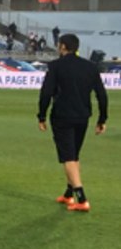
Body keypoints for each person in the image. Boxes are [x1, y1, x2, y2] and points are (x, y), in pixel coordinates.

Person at [37, 34, 108, 212]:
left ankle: (82, 198)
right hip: (83, 116)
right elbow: (102, 95)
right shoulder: (90, 67)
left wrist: (42, 116)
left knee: (68, 157)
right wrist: (102, 119)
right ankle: (69, 194)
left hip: (62, 116)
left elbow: (46, 93)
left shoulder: (55, 66)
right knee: (74, 155)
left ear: (62, 47)